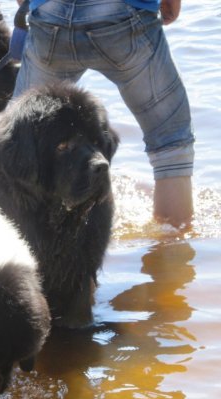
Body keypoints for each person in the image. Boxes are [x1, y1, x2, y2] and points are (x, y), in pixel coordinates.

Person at [12, 0, 194, 228]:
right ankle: (172, 251)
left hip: (51, 16)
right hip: (124, 13)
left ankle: (17, 250)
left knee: (17, 143)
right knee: (171, 144)